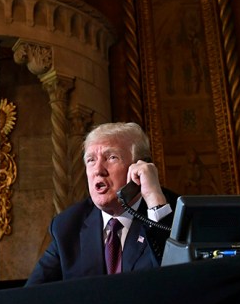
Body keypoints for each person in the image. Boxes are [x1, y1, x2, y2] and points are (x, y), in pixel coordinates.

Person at [25, 122, 179, 285]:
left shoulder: (177, 213)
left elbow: (177, 280)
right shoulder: (67, 226)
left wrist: (154, 199)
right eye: (91, 160)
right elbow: (31, 297)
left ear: (140, 167)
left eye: (111, 157)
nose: (98, 170)